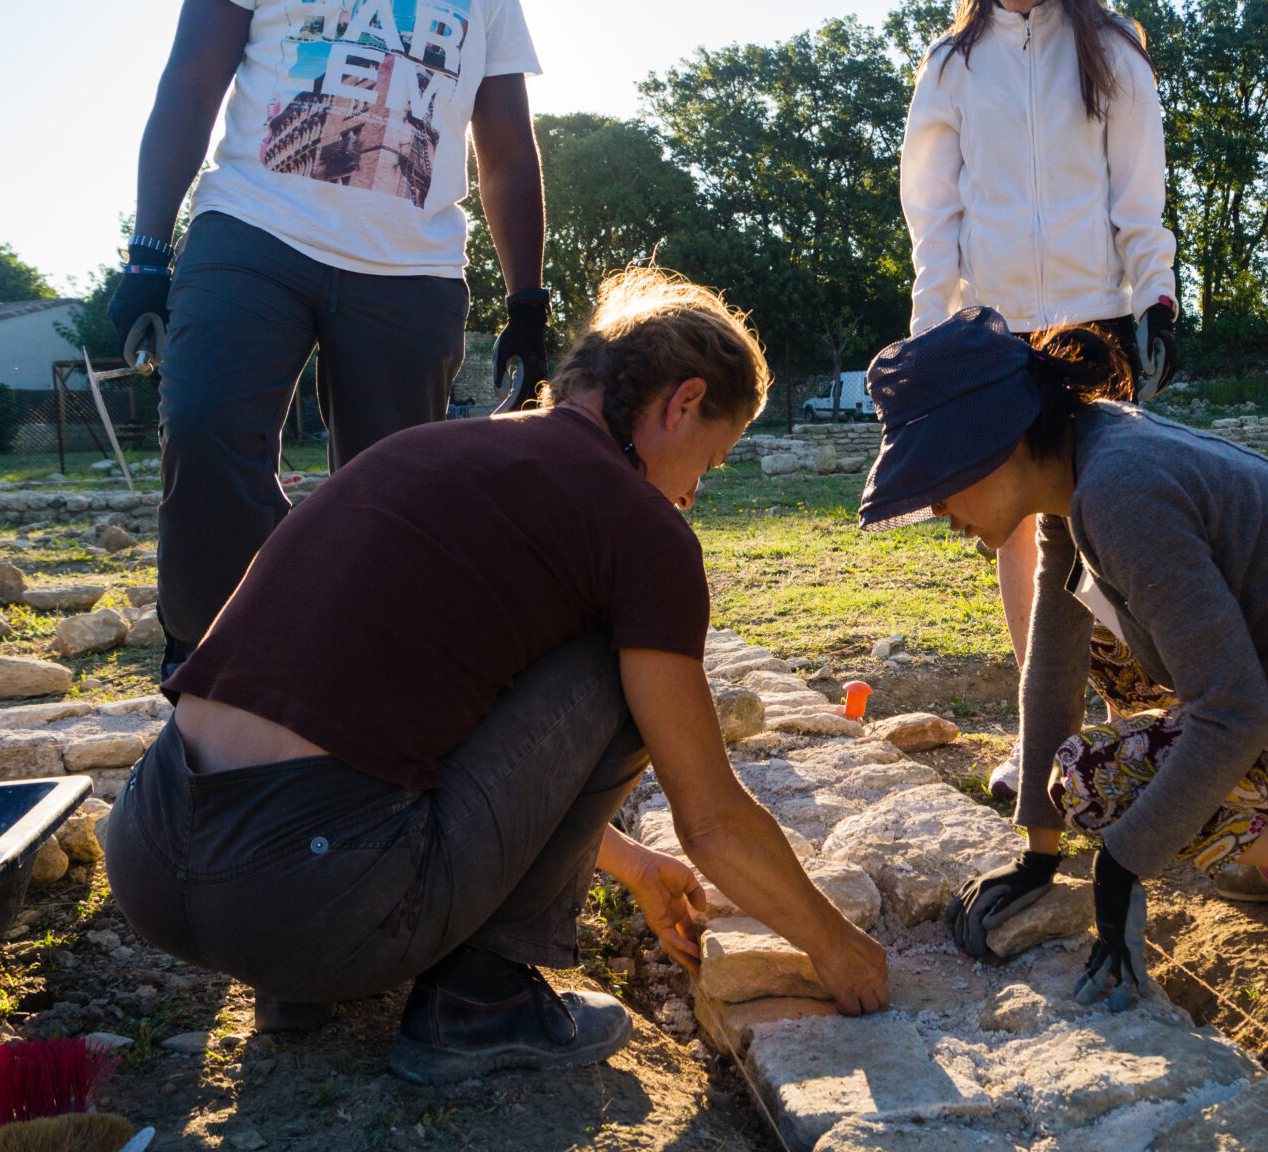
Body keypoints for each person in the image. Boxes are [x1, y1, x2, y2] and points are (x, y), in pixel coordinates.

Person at [101, 270, 889, 1086]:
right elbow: (711, 818)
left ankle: (290, 986)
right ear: (682, 402)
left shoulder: (429, 449)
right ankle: (480, 1003)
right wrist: (840, 950)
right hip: (307, 895)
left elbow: (380, 715)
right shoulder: (640, 525)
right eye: (711, 462)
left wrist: (628, 863)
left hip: (154, 851)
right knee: (617, 668)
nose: (691, 492)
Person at [861, 308, 1268, 1008]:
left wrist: (1120, 864)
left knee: (1096, 780)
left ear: (996, 441)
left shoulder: (1120, 494)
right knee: (1104, 642)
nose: (934, 506)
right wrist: (1037, 855)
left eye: (938, 474)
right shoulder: (1080, 465)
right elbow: (1053, 662)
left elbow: (1231, 716)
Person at [109, 0, 554, 680]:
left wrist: (527, 302)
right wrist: (147, 253)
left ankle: (357, 682)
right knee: (202, 426)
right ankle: (212, 663)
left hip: (410, 267)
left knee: (392, 494)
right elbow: (191, 79)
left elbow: (507, 145)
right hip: (252, 228)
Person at [899, 0, 1180, 800]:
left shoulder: (1111, 44)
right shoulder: (949, 63)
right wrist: (930, 334)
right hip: (990, 328)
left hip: (1096, 320)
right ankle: (1043, 737)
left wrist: (1155, 296)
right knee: (1014, 528)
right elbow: (933, 214)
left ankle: (1143, 717)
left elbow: (1138, 187)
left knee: (1110, 517)